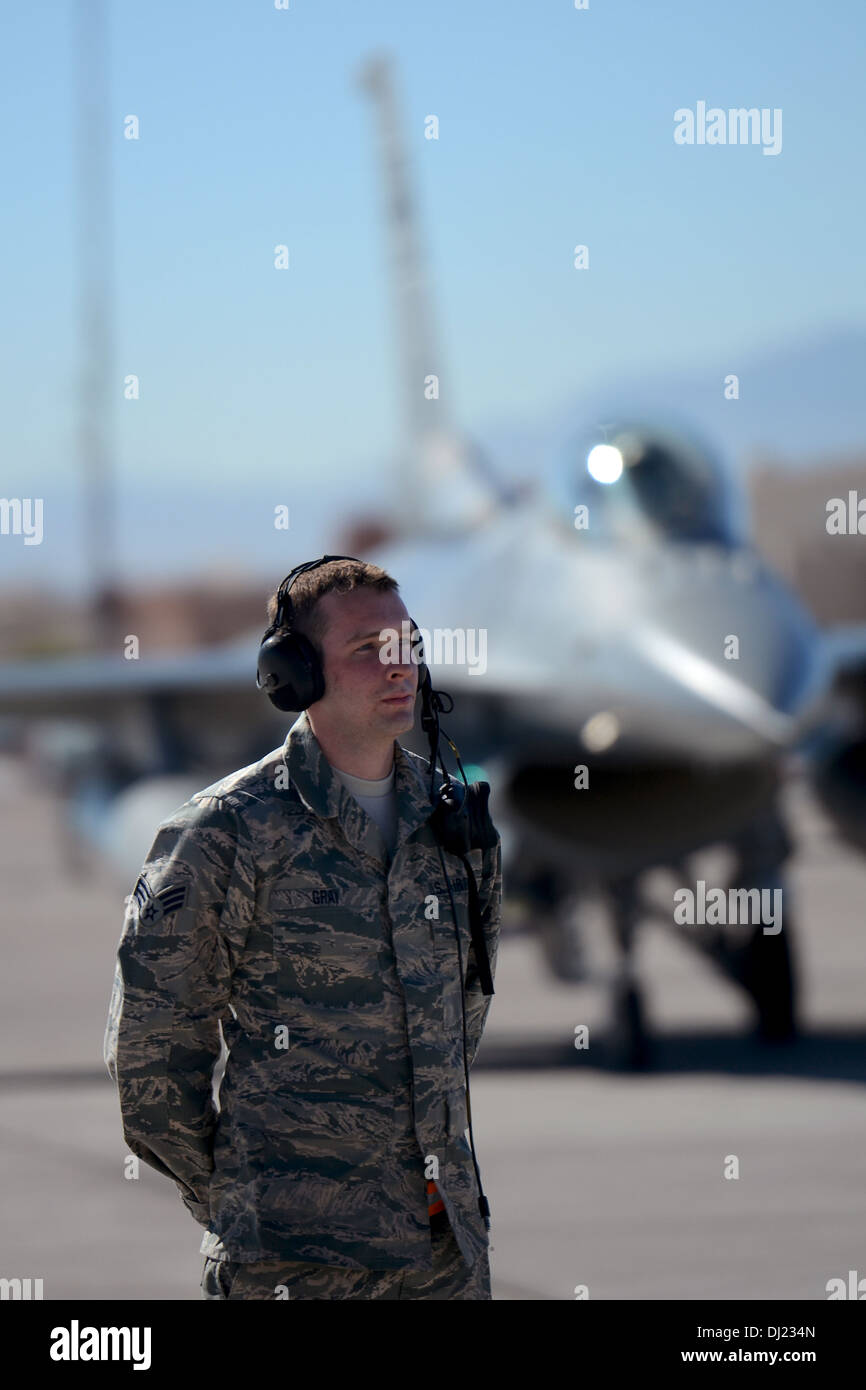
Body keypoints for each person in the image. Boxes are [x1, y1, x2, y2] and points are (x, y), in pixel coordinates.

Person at [103, 557, 501, 1299]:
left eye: (404, 643)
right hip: (292, 1271)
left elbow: (461, 1016)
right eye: (364, 649)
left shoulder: (455, 823)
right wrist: (244, 1205)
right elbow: (151, 1059)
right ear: (294, 675)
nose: (397, 666)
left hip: (446, 1261)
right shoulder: (225, 832)